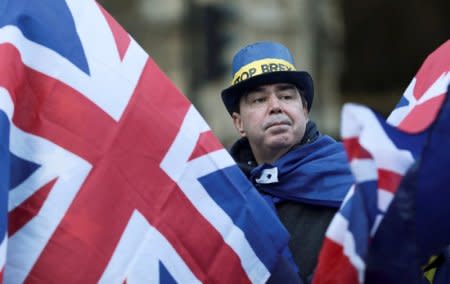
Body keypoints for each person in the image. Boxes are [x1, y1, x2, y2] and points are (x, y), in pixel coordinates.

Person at [220, 41, 355, 283]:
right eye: (259, 100)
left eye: (286, 96)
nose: (275, 106)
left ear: (304, 109)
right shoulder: (224, 196)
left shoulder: (354, 175)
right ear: (238, 123)